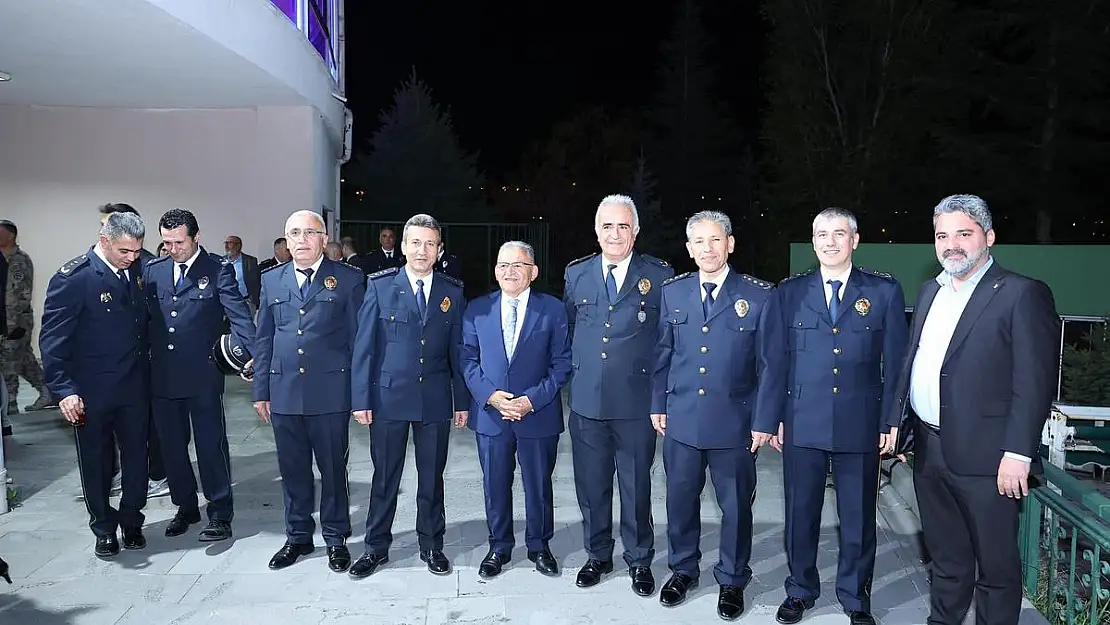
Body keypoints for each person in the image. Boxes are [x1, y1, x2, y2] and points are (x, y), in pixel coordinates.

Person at [891, 194, 1058, 625]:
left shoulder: (1022, 293)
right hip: (930, 452)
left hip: (991, 460)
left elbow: (1033, 383)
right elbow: (917, 361)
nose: (952, 244)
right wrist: (900, 425)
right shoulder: (931, 290)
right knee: (945, 561)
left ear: (989, 237)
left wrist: (1018, 453)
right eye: (942, 235)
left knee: (996, 571)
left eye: (963, 233)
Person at [771, 207, 908, 625]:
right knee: (800, 514)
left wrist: (892, 421)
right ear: (813, 242)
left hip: (860, 424)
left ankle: (855, 597)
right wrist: (773, 416)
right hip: (802, 421)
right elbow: (775, 361)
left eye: (839, 234)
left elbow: (897, 364)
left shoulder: (883, 292)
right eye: (822, 234)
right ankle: (800, 590)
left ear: (855, 240)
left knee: (858, 517)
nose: (830, 241)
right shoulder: (790, 292)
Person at [651, 210, 785, 621]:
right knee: (679, 501)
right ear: (689, 249)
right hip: (683, 420)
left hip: (736, 424)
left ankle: (732, 578)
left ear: (730, 244)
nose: (707, 249)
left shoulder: (760, 295)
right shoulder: (673, 292)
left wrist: (765, 420)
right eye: (699, 242)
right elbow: (663, 352)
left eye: (715, 240)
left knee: (737, 507)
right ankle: (683, 569)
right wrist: (658, 402)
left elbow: (771, 366)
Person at [562, 194, 673, 596]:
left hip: (635, 405)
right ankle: (597, 555)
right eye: (607, 226)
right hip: (588, 403)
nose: (615, 234)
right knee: (591, 487)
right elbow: (570, 329)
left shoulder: (659, 276)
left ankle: (639, 559)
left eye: (623, 226)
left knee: (636, 486)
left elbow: (666, 342)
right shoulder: (577, 275)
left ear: (636, 231)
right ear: (596, 231)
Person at [349, 213, 468, 579]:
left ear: (439, 249)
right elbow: (364, 347)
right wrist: (360, 399)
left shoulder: (452, 291)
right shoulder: (380, 286)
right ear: (403, 247)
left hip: (433, 400)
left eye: (430, 243)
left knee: (432, 478)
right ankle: (375, 548)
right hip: (388, 401)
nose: (422, 250)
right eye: (415, 242)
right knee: (385, 477)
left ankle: (432, 544)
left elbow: (457, 352)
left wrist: (460, 401)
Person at [252, 210, 365, 572]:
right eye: (294, 233)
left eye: (309, 233)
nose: (301, 240)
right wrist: (260, 390)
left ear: (324, 238)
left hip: (330, 392)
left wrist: (359, 395)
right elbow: (264, 337)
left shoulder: (347, 279)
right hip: (284, 391)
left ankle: (335, 537)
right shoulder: (271, 280)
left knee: (333, 469)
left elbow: (358, 342)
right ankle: (298, 536)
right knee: (293, 469)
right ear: (285, 239)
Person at [39, 211, 151, 558]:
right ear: (105, 241)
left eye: (136, 252)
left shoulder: (138, 270)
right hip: (92, 392)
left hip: (134, 387)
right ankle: (103, 527)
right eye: (124, 252)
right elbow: (53, 340)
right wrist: (63, 389)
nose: (132, 258)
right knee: (96, 461)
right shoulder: (74, 278)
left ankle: (132, 521)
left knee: (137, 460)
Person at [460, 241, 572, 579]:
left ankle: (540, 546)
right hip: (492, 416)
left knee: (538, 484)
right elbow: (466, 358)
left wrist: (531, 400)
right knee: (495, 483)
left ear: (533, 272)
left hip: (537, 414)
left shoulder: (552, 310)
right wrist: (492, 396)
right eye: (503, 265)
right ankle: (499, 546)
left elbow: (562, 363)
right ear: (495, 271)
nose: (510, 271)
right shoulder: (476, 309)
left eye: (518, 265)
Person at [143, 209, 256, 542]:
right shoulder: (153, 271)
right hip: (162, 375)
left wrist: (250, 357)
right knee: (172, 447)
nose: (172, 248)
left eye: (179, 242)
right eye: (166, 242)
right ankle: (186, 506)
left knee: (210, 446)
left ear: (196, 237)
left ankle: (220, 512)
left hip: (203, 374)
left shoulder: (218, 270)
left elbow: (239, 316)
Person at [97, 202, 167, 498]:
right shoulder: (102, 269)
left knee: (150, 427)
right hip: (114, 371)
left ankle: (157, 474)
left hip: (146, 365)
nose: (105, 230)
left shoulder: (146, 267)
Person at [0, 220, 55, 414]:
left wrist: (12, 325)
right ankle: (48, 390)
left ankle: (10, 403)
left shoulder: (19, 260)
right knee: (23, 359)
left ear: (10, 236)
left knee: (8, 361)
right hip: (5, 320)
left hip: (16, 321)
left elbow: (20, 295)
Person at [224, 235, 260, 310]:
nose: (227, 246)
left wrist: (253, 299)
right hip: (228, 303)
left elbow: (256, 282)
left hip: (246, 301)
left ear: (238, 246)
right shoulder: (222, 261)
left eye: (230, 243)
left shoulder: (250, 261)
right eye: (226, 243)